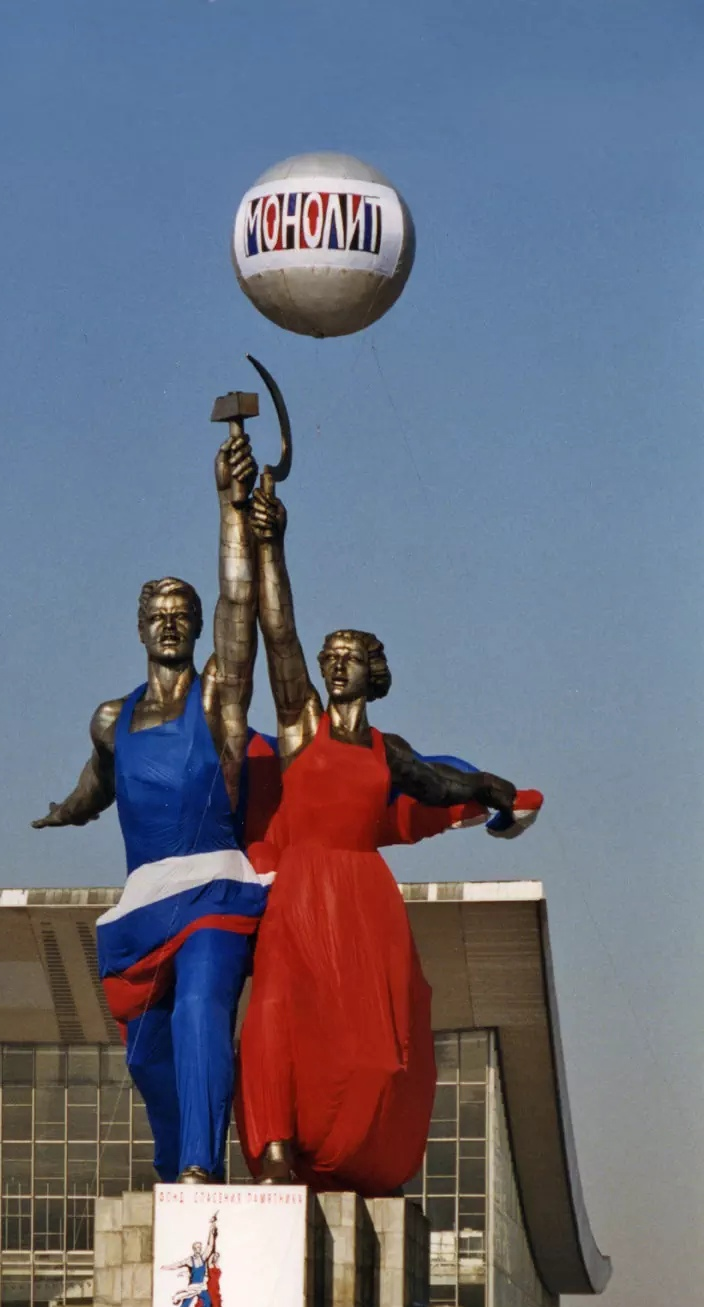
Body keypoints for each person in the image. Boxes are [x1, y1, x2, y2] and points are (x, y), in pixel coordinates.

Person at [236, 479, 539, 1190]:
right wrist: (271, 546)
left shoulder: (387, 750)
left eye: (349, 655)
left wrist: (489, 789)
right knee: (277, 1004)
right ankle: (276, 1144)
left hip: (365, 900)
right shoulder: (299, 724)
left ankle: (365, 1150)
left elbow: (438, 784)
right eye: (329, 654)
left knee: (378, 1048)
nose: (334, 661)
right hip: (303, 888)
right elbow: (278, 634)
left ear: (373, 673)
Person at [34, 433, 268, 1183]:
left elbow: (240, 600)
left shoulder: (217, 699)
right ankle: (177, 1165)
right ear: (140, 628)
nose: (169, 623)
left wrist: (229, 507)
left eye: (181, 613)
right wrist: (68, 811)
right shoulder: (111, 717)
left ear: (196, 629)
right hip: (145, 903)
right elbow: (98, 780)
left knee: (203, 1007)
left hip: (215, 894)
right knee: (146, 1051)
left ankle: (203, 1164)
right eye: (156, 614)